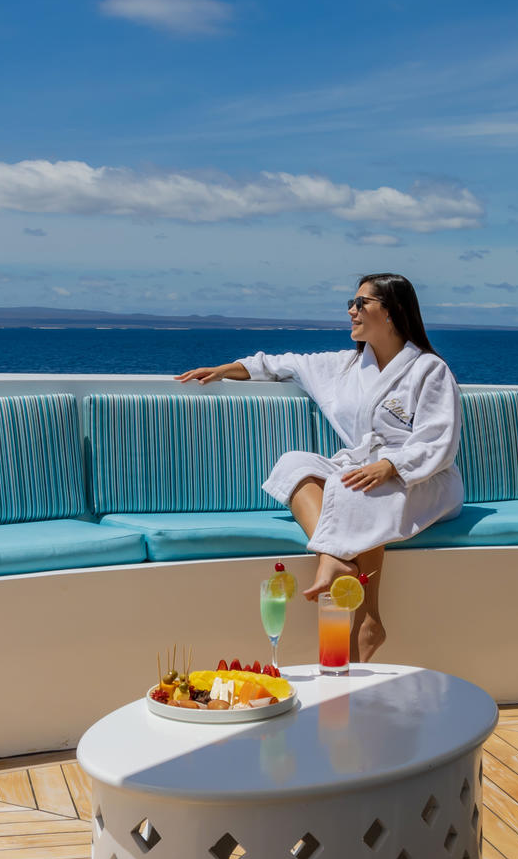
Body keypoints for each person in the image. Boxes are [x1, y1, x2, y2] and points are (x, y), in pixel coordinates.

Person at [177, 273, 463, 662]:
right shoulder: (344, 367)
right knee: (294, 463)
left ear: (392, 312)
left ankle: (368, 618)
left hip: (424, 479)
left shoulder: (430, 370)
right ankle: (333, 557)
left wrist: (390, 465)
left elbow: (438, 441)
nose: (351, 311)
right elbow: (281, 364)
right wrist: (228, 368)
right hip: (364, 469)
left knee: (356, 490)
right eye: (351, 303)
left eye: (361, 303)